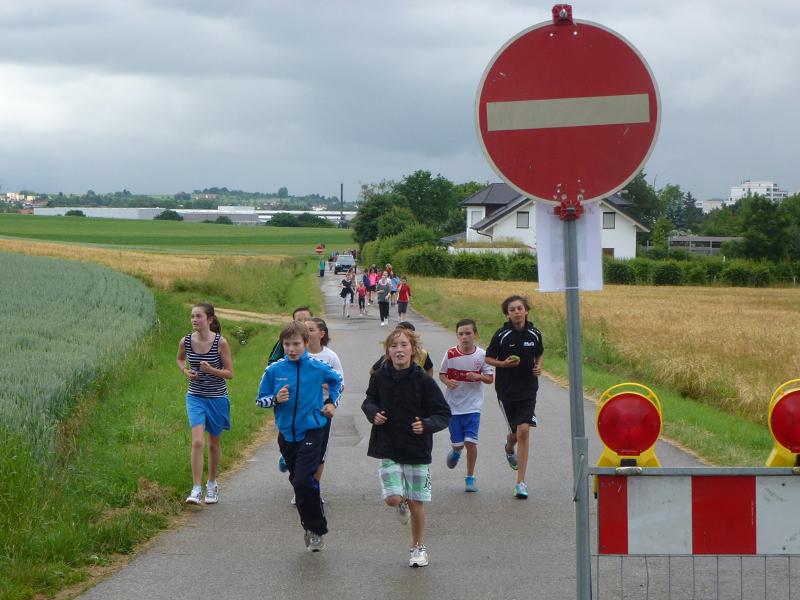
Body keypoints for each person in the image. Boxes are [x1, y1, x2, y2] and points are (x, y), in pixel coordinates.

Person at [361, 327, 451, 568]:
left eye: (403, 345)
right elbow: (369, 400)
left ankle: (418, 547)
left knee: (417, 502)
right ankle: (401, 502)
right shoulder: (380, 376)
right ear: (387, 351)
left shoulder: (424, 380)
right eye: (394, 346)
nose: (399, 350)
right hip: (388, 445)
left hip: (416, 449)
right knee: (393, 498)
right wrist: (373, 413)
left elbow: (443, 414)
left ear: (413, 350)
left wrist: (427, 425)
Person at [256, 321, 343, 552]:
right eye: (287, 344)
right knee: (300, 484)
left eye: (296, 344)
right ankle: (310, 525)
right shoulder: (274, 370)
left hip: (313, 429)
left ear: (306, 342)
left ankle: (316, 529)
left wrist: (332, 403)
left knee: (303, 480)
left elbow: (338, 381)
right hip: (287, 435)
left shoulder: (317, 367)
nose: (291, 349)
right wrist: (275, 399)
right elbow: (260, 400)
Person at [484, 295, 544, 500]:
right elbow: (488, 358)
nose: (517, 312)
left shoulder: (535, 333)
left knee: (524, 431)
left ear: (526, 311)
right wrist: (503, 364)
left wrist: (539, 367)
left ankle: (520, 482)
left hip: (528, 389)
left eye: (520, 308)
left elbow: (539, 353)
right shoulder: (502, 335)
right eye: (512, 310)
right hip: (506, 391)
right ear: (507, 314)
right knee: (514, 435)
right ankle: (509, 448)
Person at [176, 303, 234, 505]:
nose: (194, 320)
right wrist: (186, 371)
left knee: (213, 444)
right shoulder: (186, 341)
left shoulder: (221, 343)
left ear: (209, 320)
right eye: (192, 316)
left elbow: (230, 374)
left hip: (217, 398)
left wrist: (211, 370)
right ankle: (196, 489)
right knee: (198, 442)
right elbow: (180, 360)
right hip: (195, 397)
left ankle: (211, 484)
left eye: (198, 316)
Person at [438, 319, 494, 493]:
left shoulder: (482, 355)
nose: (464, 337)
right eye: (461, 334)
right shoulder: (450, 353)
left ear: (475, 334)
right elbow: (442, 374)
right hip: (453, 406)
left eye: (468, 333)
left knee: (471, 442)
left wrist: (478, 377)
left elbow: (490, 379)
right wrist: (447, 382)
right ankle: (456, 452)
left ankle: (470, 477)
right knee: (459, 444)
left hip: (473, 406)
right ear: (457, 336)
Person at [306, 317, 344, 490]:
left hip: (322, 408)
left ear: (322, 334)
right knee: (297, 449)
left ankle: (313, 489)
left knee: (319, 451)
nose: (307, 333)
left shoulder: (330, 356)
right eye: (305, 330)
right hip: (300, 407)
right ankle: (301, 486)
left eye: (311, 330)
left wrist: (320, 383)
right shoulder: (297, 354)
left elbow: (340, 384)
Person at [369, 321, 434, 377]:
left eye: (404, 344)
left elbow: (429, 369)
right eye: (394, 345)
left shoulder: (423, 354)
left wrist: (426, 383)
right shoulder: (387, 357)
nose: (399, 349)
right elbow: (372, 371)